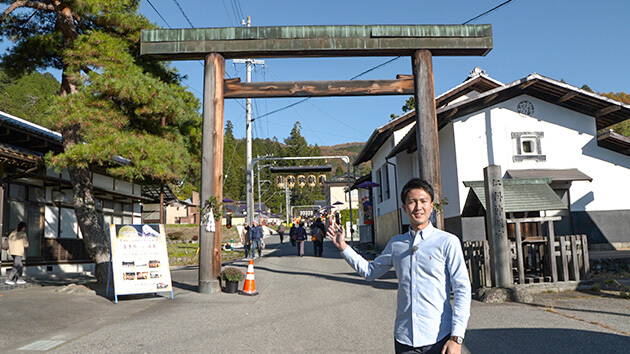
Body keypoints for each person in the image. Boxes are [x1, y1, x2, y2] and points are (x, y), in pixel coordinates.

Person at [328, 178, 471, 354]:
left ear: (431, 206)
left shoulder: (447, 242)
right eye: (412, 202)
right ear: (404, 208)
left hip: (439, 337)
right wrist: (343, 247)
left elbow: (462, 289)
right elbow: (370, 272)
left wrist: (456, 338)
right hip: (405, 338)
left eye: (423, 201)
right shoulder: (397, 243)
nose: (418, 207)